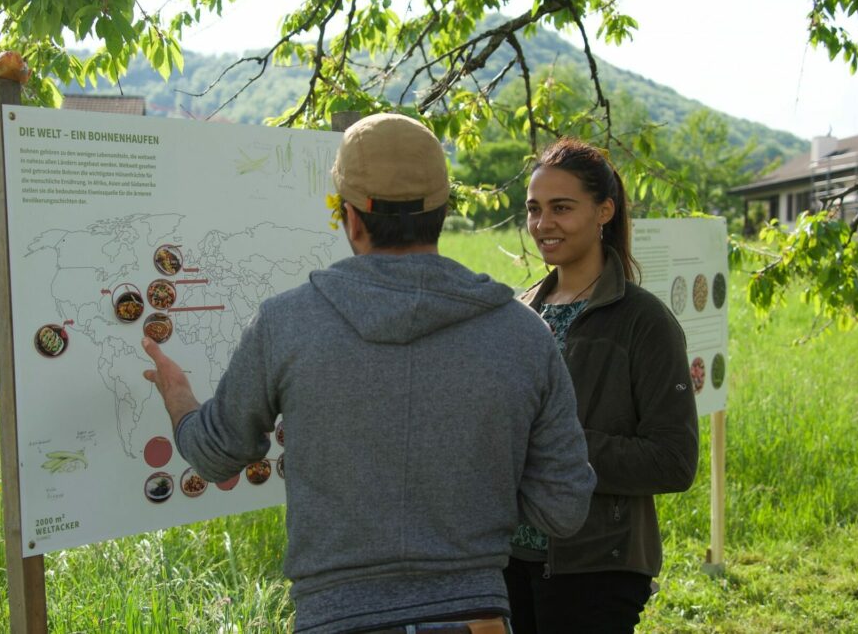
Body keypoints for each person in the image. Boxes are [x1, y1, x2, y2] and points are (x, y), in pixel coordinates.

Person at [141, 113, 597, 634]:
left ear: (352, 219)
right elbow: (563, 508)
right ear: (443, 212)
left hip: (336, 618)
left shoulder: (287, 323)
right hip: (477, 617)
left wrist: (178, 397)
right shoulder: (525, 335)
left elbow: (214, 454)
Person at [504, 137, 699, 633]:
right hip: (506, 561)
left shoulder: (644, 322)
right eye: (533, 209)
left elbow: (674, 461)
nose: (543, 224)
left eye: (561, 208)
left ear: (604, 211)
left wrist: (558, 450)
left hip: (596, 566)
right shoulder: (517, 313)